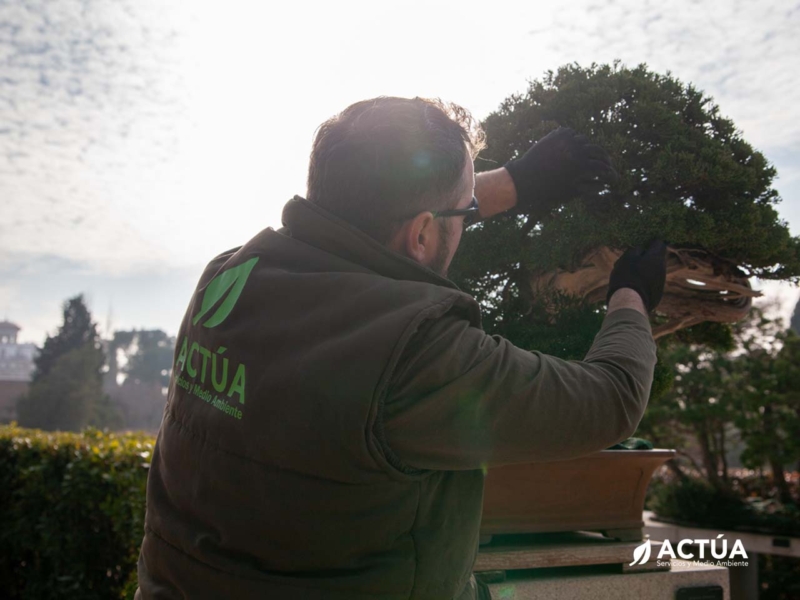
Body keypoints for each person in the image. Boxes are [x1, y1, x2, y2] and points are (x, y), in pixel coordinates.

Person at [135, 96, 666, 600]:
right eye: (465, 211)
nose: (469, 216)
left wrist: (512, 184)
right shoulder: (417, 352)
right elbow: (611, 399)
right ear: (422, 235)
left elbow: (371, 218)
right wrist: (630, 296)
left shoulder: (227, 277)